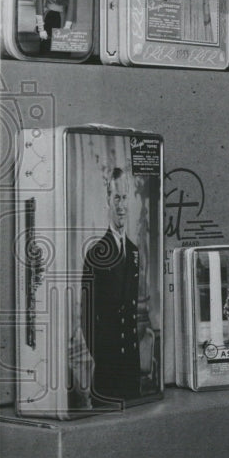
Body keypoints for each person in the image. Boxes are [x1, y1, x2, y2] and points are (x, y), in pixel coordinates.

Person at [81, 168, 141, 405]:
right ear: (107, 200)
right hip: (108, 370)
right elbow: (86, 317)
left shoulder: (134, 252)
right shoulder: (95, 253)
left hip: (131, 368)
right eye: (116, 198)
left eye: (125, 198)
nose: (121, 205)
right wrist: (103, 358)